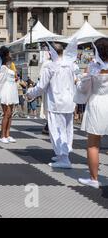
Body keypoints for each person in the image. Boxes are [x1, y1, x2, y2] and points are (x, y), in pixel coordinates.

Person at [27, 41, 77, 169]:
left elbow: (41, 86)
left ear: (51, 52)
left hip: (57, 102)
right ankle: (63, 154)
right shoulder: (70, 65)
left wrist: (30, 93)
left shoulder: (51, 66)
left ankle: (64, 158)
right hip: (69, 102)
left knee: (57, 130)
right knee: (67, 129)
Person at [76, 38, 108, 188]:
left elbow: (83, 89)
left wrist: (80, 80)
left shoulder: (93, 67)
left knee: (93, 144)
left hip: (97, 103)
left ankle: (94, 178)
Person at [0, 46, 19, 144]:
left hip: (12, 90)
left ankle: (7, 134)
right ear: (5, 55)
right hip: (6, 91)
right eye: (9, 53)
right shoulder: (3, 67)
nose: (10, 55)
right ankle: (2, 135)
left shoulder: (9, 66)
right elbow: (0, 81)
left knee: (10, 114)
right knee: (7, 114)